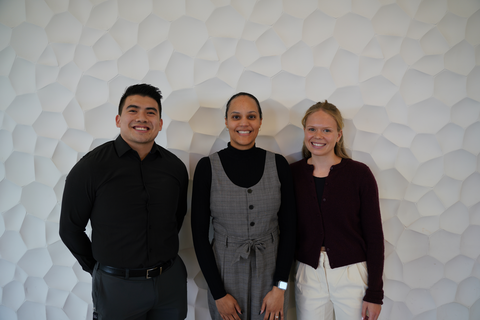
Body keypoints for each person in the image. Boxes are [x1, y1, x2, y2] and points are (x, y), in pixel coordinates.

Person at [60, 83, 189, 319]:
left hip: (170, 283)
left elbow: (176, 218)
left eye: (151, 112)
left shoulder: (175, 168)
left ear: (160, 123)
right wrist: (100, 269)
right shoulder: (90, 168)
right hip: (116, 287)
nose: (142, 117)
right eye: (133, 110)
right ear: (118, 120)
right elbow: (70, 229)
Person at [191, 92, 296, 320]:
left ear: (260, 121)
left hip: (271, 276)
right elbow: (199, 236)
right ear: (227, 121)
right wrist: (218, 294)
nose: (244, 123)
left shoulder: (279, 165)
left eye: (251, 116)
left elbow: (290, 231)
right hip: (224, 276)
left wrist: (280, 288)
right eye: (236, 116)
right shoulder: (207, 168)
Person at [290, 101, 384, 320]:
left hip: (352, 273)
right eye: (312, 129)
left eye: (326, 130)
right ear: (304, 131)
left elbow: (375, 237)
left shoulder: (359, 174)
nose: (318, 135)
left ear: (339, 135)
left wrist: (375, 293)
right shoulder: (292, 174)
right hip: (307, 273)